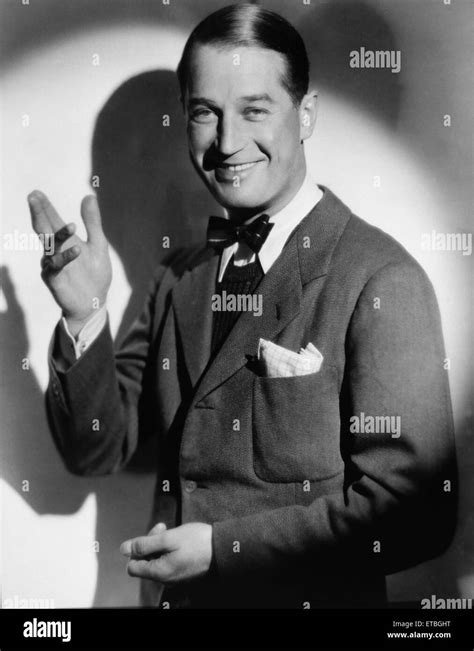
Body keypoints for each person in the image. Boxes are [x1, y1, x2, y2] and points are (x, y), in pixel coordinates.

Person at [28, 4, 457, 609]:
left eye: (255, 110)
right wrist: (83, 317)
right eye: (206, 113)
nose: (228, 143)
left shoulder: (382, 277)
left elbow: (418, 514)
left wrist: (223, 549)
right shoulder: (178, 277)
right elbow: (96, 448)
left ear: (305, 115)